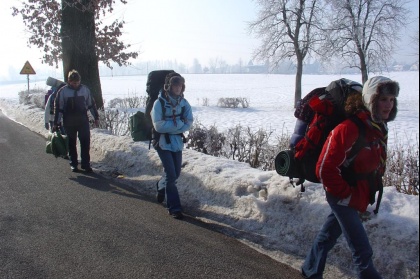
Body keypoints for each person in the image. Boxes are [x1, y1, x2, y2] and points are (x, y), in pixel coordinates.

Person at [301, 76, 399, 279]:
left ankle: (310, 269)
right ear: (371, 99)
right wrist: (346, 195)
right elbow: (324, 168)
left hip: (357, 192)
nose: (388, 105)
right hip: (341, 193)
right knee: (362, 250)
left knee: (328, 235)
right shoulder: (349, 128)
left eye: (391, 99)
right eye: (383, 99)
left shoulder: (378, 126)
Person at [151, 73, 193, 219]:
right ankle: (174, 207)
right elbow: (159, 126)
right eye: (175, 85)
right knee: (171, 174)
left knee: (176, 174)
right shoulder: (159, 103)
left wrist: (178, 126)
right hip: (162, 142)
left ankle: (161, 187)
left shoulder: (184, 103)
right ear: (169, 87)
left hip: (176, 142)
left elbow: (189, 123)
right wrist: (179, 126)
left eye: (180, 85)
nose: (178, 88)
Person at [53, 70, 99, 173]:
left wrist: (96, 117)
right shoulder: (63, 92)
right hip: (69, 122)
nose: (76, 84)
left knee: (85, 143)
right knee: (71, 144)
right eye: (74, 83)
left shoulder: (85, 90)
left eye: (77, 82)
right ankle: (73, 164)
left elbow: (91, 104)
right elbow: (58, 108)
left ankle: (86, 164)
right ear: (69, 81)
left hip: (83, 120)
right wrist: (56, 122)